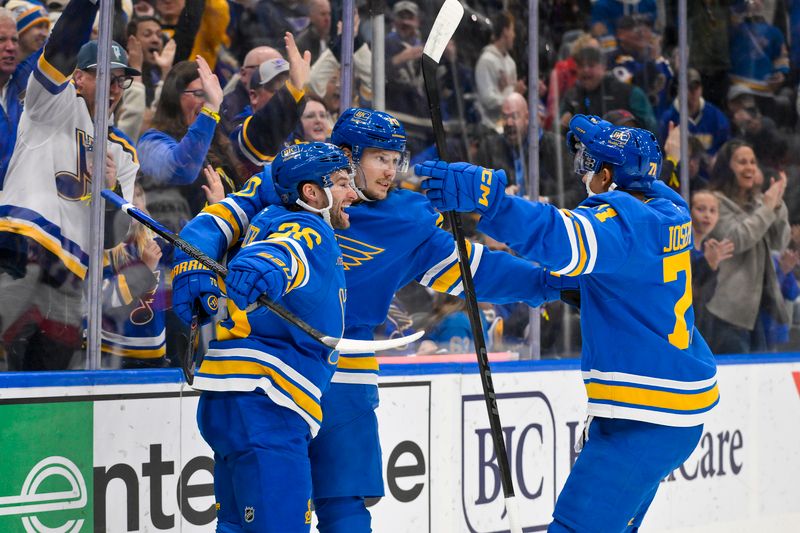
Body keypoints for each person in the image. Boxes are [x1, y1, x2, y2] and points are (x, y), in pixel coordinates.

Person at [172, 107, 561, 531]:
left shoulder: (408, 218)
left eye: (397, 160)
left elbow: (473, 269)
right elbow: (222, 219)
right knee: (261, 508)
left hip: (346, 362)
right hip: (272, 355)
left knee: (343, 499)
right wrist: (194, 264)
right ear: (345, 154)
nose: (391, 171)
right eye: (380, 158)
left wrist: (549, 282)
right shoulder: (295, 177)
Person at [417, 114, 719, 531]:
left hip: (644, 417)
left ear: (609, 175)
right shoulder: (666, 206)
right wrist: (455, 266)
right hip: (665, 412)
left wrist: (492, 202)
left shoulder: (625, 224)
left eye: (588, 165)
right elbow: (546, 279)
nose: (582, 175)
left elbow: (561, 239)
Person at [178, 142, 357, 532]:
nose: (353, 194)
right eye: (343, 183)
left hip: (232, 399)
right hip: (267, 401)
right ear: (312, 193)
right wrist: (265, 266)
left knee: (238, 527)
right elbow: (289, 250)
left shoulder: (267, 215)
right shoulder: (309, 227)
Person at [0, 0, 139, 371]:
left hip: (71, 274)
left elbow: (113, 236)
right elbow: (60, 48)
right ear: (78, 77)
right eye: (103, 75)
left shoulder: (123, 152)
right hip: (21, 247)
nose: (114, 86)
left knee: (50, 383)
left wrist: (113, 192)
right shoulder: (51, 104)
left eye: (120, 79)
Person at [704, 139, 790, 354]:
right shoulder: (715, 202)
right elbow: (736, 239)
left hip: (761, 312)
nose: (750, 167)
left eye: (752, 162)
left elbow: (780, 241)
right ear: (727, 167)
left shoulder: (759, 202)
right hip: (728, 314)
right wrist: (768, 208)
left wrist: (777, 205)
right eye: (742, 162)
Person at [689, 189, 734, 338]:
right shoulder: (682, 246)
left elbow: (705, 296)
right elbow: (689, 292)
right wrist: (706, 264)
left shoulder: (707, 249)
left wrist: (712, 266)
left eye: (712, 211)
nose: (707, 215)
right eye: (700, 209)